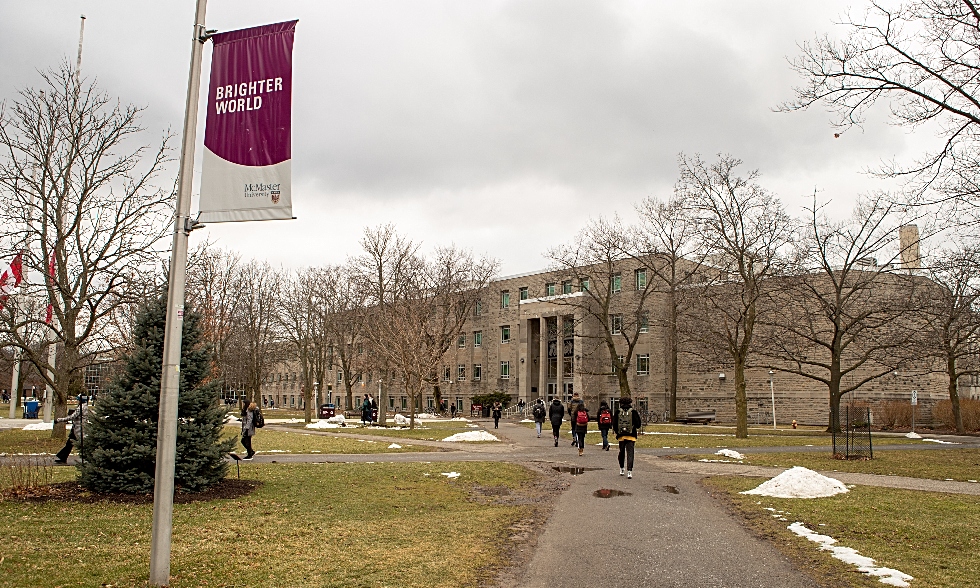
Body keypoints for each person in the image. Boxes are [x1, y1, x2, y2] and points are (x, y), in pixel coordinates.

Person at [612, 396, 642, 478]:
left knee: (621, 452)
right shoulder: (633, 412)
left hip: (621, 436)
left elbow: (614, 424)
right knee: (630, 453)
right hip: (631, 436)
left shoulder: (618, 412)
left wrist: (617, 432)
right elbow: (638, 424)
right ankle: (629, 471)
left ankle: (622, 468)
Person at [54, 397, 89, 464]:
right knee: (69, 444)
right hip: (77, 429)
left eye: (78, 400)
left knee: (82, 445)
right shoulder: (85, 407)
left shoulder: (81, 408)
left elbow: (72, 417)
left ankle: (90, 459)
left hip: (78, 430)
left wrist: (59, 420)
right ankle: (62, 457)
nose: (77, 401)